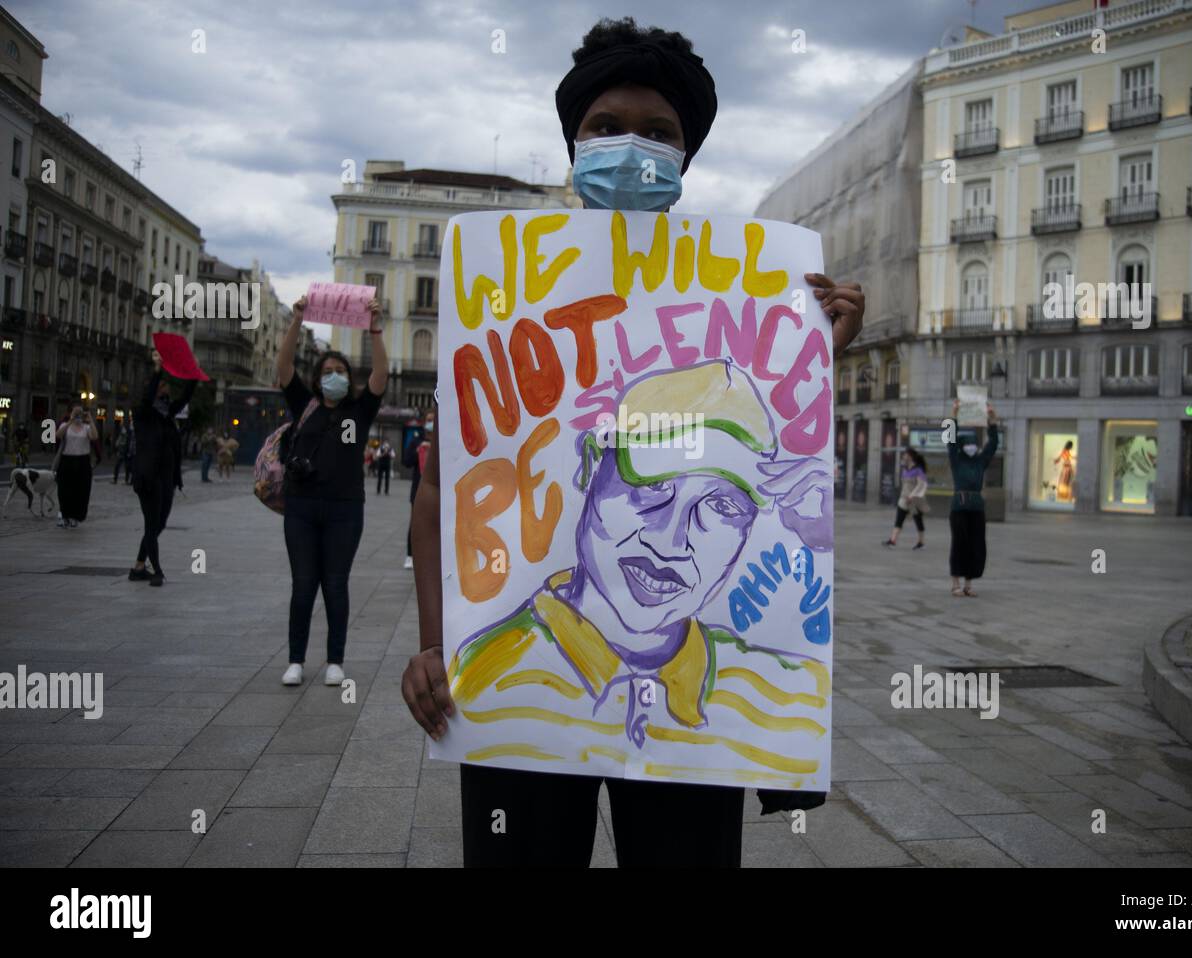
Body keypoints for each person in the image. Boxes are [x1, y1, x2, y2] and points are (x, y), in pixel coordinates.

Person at [401, 16, 864, 869]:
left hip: (699, 749)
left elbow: (771, 436)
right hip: (519, 735)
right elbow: (441, 489)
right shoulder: (501, 299)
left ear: (686, 158)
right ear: (573, 142)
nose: (633, 147)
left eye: (660, 133)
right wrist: (435, 643)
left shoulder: (755, 687)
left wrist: (810, 360)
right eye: (606, 127)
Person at [276, 294, 387, 688]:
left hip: (345, 510)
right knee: (303, 583)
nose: (334, 375)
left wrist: (375, 330)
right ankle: (295, 660)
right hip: (302, 507)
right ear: (318, 377)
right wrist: (297, 320)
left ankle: (335, 660)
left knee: (336, 583)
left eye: (341, 370)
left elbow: (381, 376)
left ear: (349, 376)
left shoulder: (360, 410)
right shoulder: (304, 405)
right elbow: (284, 366)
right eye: (328, 370)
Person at [128, 351, 197, 586]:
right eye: (163, 385)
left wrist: (193, 374)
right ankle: (156, 570)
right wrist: (158, 370)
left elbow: (185, 397)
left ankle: (139, 566)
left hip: (166, 477)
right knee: (151, 523)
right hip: (148, 476)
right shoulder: (143, 412)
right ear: (155, 388)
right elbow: (148, 398)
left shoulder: (166, 414)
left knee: (159, 524)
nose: (167, 388)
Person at [948, 400, 998, 597]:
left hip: (977, 508)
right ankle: (955, 583)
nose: (971, 447)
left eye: (973, 444)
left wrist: (992, 420)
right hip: (959, 507)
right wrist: (954, 416)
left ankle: (969, 583)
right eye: (967, 444)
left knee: (976, 545)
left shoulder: (980, 461)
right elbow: (949, 441)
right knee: (959, 543)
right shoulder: (956, 460)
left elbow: (993, 444)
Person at [55, 403, 97, 528]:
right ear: (70, 413)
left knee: (80, 491)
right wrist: (70, 420)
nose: (78, 415)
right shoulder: (65, 425)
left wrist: (90, 420)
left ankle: (76, 517)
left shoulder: (86, 427)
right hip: (67, 461)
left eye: (80, 413)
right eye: (75, 412)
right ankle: (64, 515)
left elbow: (94, 437)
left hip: (83, 461)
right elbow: (58, 435)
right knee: (64, 490)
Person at [403, 413, 433, 570]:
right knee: (415, 523)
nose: (431, 423)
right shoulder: (416, 440)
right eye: (428, 420)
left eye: (433, 420)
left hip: (436, 491)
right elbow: (406, 461)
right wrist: (417, 451)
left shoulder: (441, 440)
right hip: (418, 488)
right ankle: (410, 555)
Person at [883, 448, 928, 549]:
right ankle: (892, 541)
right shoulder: (905, 469)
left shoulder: (918, 470)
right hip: (904, 499)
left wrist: (912, 496)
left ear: (910, 456)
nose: (904, 456)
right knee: (899, 520)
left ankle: (921, 542)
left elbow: (922, 485)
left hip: (915, 500)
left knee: (918, 521)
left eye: (905, 454)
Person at [112, 415, 136, 484]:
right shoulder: (126, 428)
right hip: (124, 450)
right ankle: (118, 479)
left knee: (127, 466)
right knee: (121, 465)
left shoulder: (129, 429)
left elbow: (129, 441)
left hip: (126, 450)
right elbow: (121, 438)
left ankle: (126, 480)